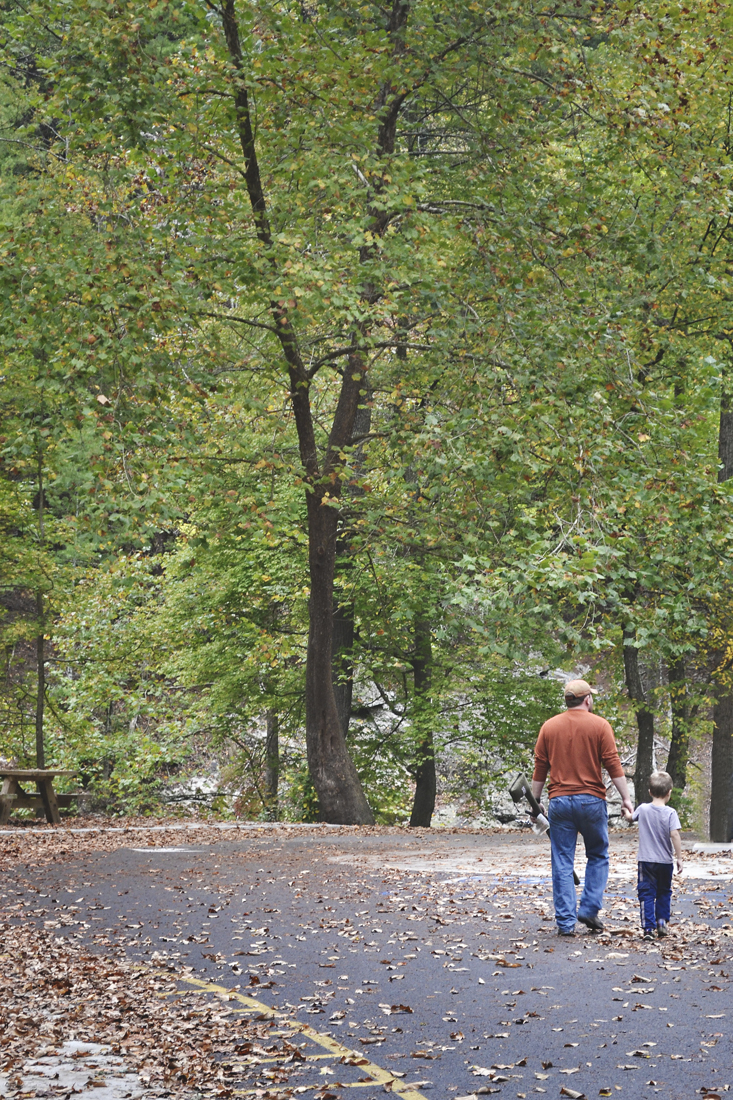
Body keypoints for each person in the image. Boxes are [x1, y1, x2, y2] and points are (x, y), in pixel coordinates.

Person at [532, 679, 634, 936]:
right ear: (587, 699)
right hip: (591, 801)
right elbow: (613, 765)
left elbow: (540, 768)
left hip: (560, 802)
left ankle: (565, 924)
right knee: (598, 854)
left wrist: (535, 803)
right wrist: (626, 798)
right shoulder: (600, 725)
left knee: (562, 861)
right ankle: (589, 908)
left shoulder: (549, 727)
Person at [623, 770, 683, 941]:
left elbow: (630, 818)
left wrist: (626, 812)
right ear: (669, 793)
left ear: (649, 791)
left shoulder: (642, 809)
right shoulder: (671, 813)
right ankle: (662, 922)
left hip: (646, 860)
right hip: (665, 861)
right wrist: (679, 858)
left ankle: (648, 928)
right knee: (664, 892)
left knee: (646, 893)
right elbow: (675, 835)